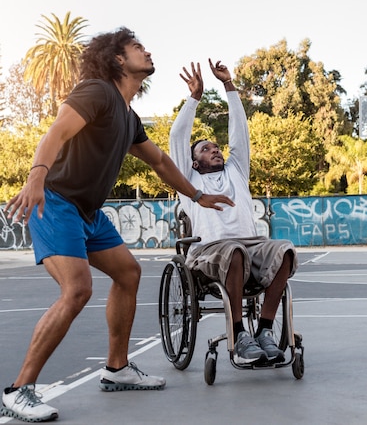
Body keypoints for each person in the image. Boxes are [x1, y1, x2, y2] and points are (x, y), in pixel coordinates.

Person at [1, 27, 234, 423]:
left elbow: (160, 162)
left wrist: (198, 196)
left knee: (128, 273)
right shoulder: (96, 91)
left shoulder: (128, 116)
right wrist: (36, 176)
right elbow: (57, 130)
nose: (146, 50)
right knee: (77, 290)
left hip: (89, 212)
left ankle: (117, 368)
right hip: (56, 202)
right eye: (137, 47)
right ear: (118, 59)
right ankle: (19, 390)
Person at [169, 59, 298, 365]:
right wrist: (195, 97)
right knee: (235, 251)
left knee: (286, 250)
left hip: (249, 246)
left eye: (216, 146)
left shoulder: (236, 172)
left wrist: (229, 86)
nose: (214, 149)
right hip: (209, 251)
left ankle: (264, 330)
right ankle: (240, 333)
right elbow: (176, 138)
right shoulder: (189, 181)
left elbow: (240, 131)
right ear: (194, 162)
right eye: (204, 149)